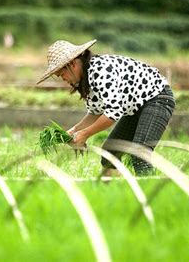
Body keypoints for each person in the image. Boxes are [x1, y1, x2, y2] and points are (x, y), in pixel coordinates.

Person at [37, 39, 175, 176]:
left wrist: (84, 135)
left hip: (157, 99)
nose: (63, 79)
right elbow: (95, 112)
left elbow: (112, 113)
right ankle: (116, 192)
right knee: (110, 154)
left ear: (72, 64)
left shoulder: (100, 70)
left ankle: (149, 195)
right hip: (136, 107)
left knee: (140, 155)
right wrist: (73, 131)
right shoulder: (87, 78)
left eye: (62, 74)